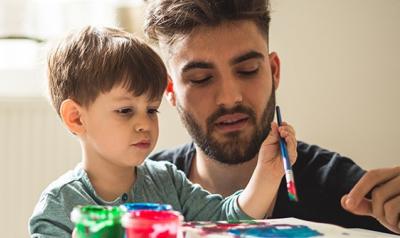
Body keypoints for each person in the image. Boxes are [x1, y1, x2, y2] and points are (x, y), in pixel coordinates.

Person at [144, 0, 400, 234]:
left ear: (273, 71)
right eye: (201, 79)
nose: (230, 97)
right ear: (171, 91)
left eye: (247, 71)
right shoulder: (138, 188)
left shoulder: (341, 190)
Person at [29, 25, 297, 237]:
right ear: (76, 118)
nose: (144, 123)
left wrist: (268, 173)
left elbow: (228, 221)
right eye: (125, 111)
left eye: (151, 110)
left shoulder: (167, 180)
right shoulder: (60, 205)